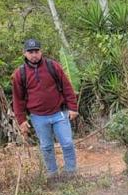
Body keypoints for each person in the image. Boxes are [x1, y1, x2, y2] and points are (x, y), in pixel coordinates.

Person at [11, 38, 79, 179]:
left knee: (67, 143)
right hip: (38, 116)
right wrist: (21, 120)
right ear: (24, 53)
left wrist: (73, 108)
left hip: (59, 112)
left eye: (36, 51)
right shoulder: (20, 74)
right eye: (30, 52)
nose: (34, 55)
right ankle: (52, 174)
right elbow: (18, 99)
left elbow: (67, 87)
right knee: (46, 147)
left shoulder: (52, 66)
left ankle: (71, 172)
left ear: (41, 52)